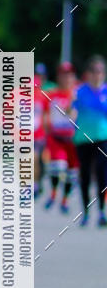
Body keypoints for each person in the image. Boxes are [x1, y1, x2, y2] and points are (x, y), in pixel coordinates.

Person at [72, 55, 107, 227]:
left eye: (100, 71)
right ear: (88, 73)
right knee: (85, 175)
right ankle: (85, 212)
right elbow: (72, 111)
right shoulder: (79, 92)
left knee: (102, 174)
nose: (97, 74)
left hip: (103, 138)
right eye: (93, 71)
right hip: (83, 139)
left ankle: (101, 211)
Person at [44, 62, 78, 213]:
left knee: (72, 172)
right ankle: (53, 193)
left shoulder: (78, 94)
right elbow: (45, 113)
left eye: (69, 75)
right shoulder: (51, 95)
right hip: (56, 136)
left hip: (74, 138)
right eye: (63, 75)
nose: (66, 78)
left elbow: (75, 114)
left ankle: (65, 199)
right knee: (58, 167)